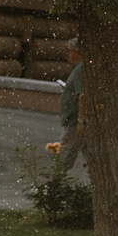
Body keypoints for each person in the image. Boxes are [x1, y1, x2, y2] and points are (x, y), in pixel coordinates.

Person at [44, 38, 86, 175]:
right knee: (90, 155)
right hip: (78, 120)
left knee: (64, 156)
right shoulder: (80, 68)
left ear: (77, 51)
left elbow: (82, 95)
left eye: (69, 51)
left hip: (75, 122)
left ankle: (56, 187)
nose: (68, 54)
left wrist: (80, 120)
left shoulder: (81, 69)